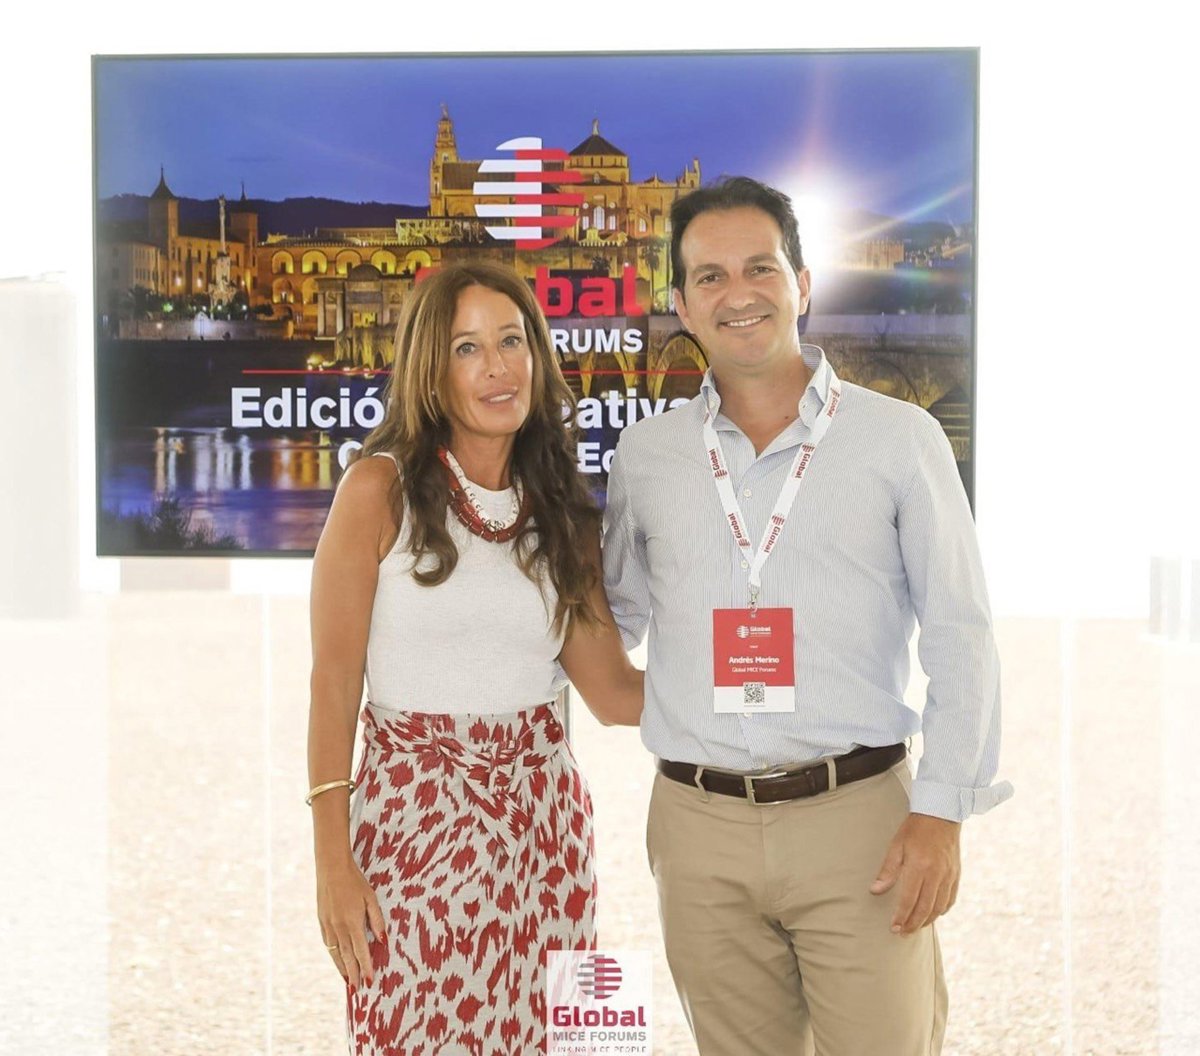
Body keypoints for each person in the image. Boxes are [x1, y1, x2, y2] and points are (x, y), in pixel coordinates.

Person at [602, 176, 1012, 1056]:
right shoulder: (647, 456)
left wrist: (942, 813)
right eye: (709, 276)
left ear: (803, 282)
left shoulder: (899, 438)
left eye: (760, 267)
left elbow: (962, 635)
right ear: (681, 303)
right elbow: (614, 616)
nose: (737, 293)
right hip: (698, 828)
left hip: (859, 821)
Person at [308, 262, 643, 1056]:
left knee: (560, 1046)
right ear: (433, 371)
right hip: (411, 837)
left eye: (512, 341)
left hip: (547, 839)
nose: (498, 366)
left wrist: (750, 677)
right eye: (468, 348)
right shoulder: (376, 490)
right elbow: (333, 682)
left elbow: (615, 696)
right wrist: (332, 863)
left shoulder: (563, 517)